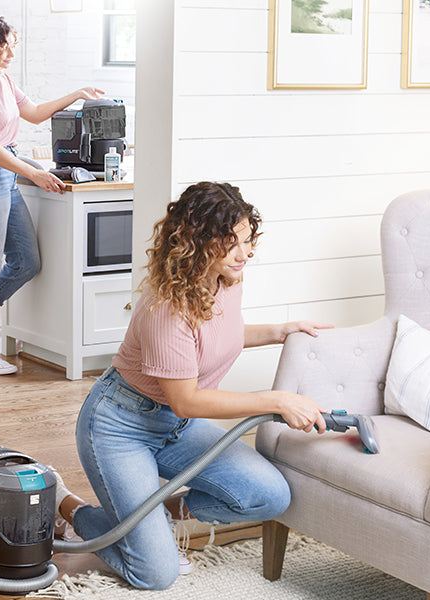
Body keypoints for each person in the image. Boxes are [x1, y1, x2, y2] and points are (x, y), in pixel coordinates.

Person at [52, 182, 333, 590]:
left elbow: (219, 336)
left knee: (269, 495)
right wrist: (275, 400)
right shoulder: (166, 307)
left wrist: (282, 329)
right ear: (197, 242)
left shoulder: (227, 278)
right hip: (120, 429)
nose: (244, 254)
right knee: (155, 573)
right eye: (230, 242)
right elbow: (186, 400)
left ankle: (153, 515)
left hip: (175, 428)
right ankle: (69, 508)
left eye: (247, 240)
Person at [0, 14, 104, 375]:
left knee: (27, 261)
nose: (13, 52)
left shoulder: (3, 80)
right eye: (7, 46)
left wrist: (77, 94)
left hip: (4, 173)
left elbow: (34, 113)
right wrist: (34, 172)